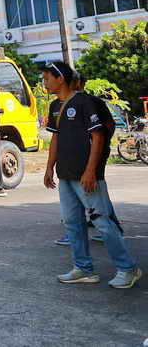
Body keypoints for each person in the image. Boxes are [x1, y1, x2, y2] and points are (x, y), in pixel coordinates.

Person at [42, 61, 141, 288]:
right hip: (65, 175)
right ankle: (83, 269)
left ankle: (128, 269)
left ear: (60, 79)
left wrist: (90, 171)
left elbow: (98, 136)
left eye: (47, 78)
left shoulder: (84, 102)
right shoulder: (55, 106)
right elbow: (55, 138)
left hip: (86, 175)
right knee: (72, 223)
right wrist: (49, 168)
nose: (44, 83)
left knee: (102, 222)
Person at [54, 73, 123, 247]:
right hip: (70, 161)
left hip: (92, 156)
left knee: (95, 192)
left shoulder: (91, 102)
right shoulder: (59, 104)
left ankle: (112, 230)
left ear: (79, 83)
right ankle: (75, 234)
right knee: (76, 197)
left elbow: (108, 126)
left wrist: (99, 148)